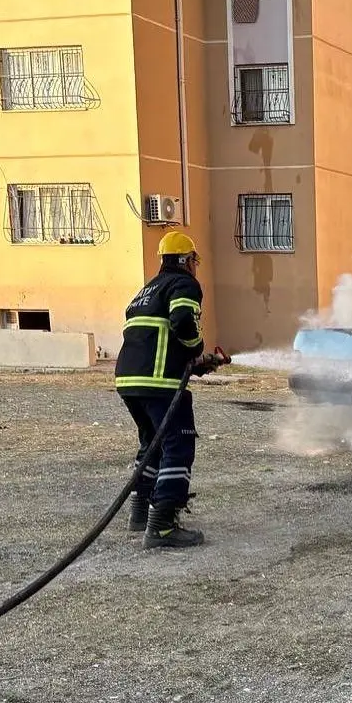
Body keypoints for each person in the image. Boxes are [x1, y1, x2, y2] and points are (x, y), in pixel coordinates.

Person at [115, 231, 211, 550]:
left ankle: (141, 513)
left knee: (152, 445)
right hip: (159, 383)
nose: (195, 267)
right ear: (186, 261)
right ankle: (163, 527)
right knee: (178, 444)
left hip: (131, 382)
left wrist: (195, 362)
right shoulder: (183, 284)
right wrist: (197, 347)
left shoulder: (146, 291)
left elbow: (159, 337)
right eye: (193, 261)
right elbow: (183, 321)